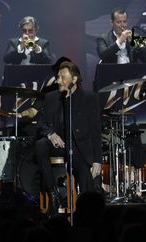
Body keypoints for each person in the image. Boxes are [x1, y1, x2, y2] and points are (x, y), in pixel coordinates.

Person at [35, 61, 102, 215]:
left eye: (62, 77)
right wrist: (51, 134)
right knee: (40, 145)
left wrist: (97, 160)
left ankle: (88, 215)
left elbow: (95, 131)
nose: (58, 81)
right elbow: (41, 123)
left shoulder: (89, 98)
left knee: (86, 176)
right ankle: (53, 194)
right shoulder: (52, 97)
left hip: (79, 148)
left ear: (74, 79)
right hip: (59, 145)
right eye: (58, 77)